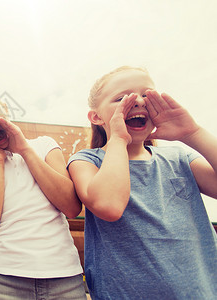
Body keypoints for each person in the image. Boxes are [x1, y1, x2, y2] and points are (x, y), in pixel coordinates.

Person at [67, 66, 217, 299]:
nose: (138, 101)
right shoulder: (86, 161)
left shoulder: (179, 158)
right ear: (96, 117)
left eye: (147, 95)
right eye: (122, 98)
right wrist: (118, 138)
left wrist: (193, 133)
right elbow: (109, 205)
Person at [0, 86, 86, 300]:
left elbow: (71, 207)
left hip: (63, 276)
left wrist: (23, 148)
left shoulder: (44, 146)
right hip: (5, 281)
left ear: (6, 108)